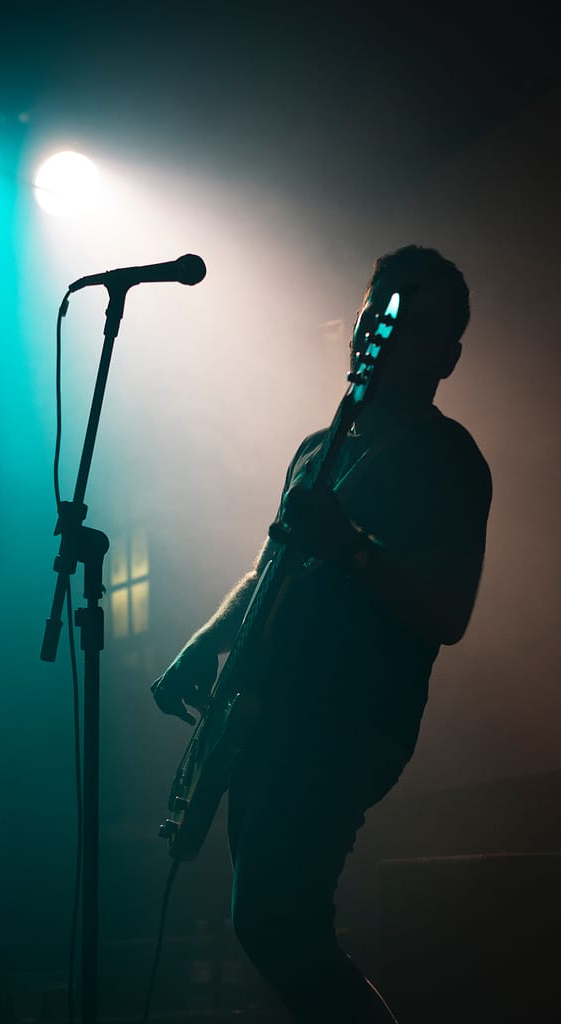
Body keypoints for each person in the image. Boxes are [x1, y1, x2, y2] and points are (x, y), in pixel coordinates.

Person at [151, 245, 492, 1023]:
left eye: (409, 315)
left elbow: (448, 613)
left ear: (447, 356)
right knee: (272, 926)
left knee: (274, 924)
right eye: (378, 307)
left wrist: (351, 548)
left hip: (344, 723)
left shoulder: (446, 455)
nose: (383, 323)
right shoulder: (317, 447)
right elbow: (271, 564)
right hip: (270, 714)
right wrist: (202, 645)